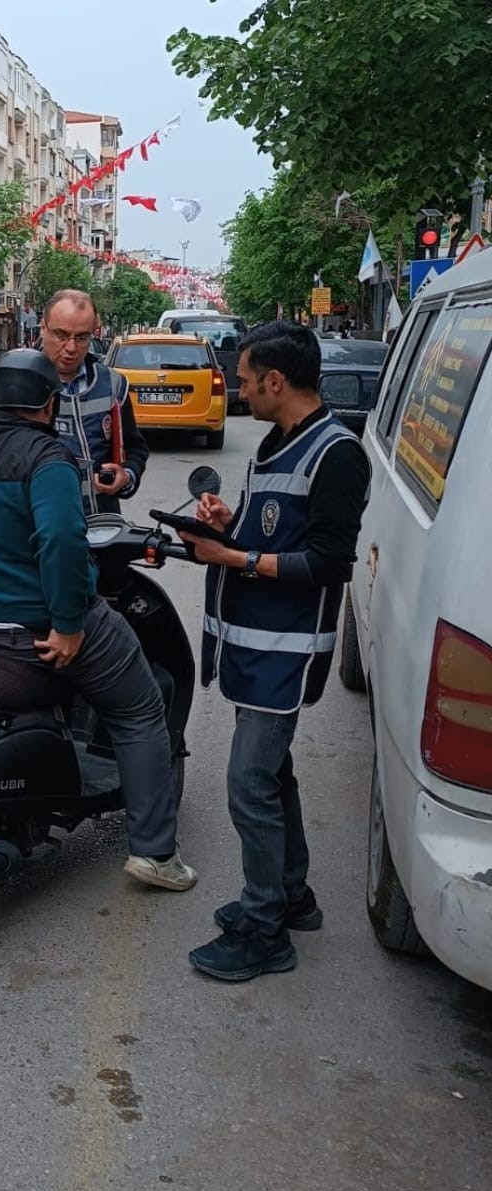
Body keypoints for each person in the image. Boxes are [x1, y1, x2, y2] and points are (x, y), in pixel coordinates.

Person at [0, 349, 195, 891]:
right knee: (139, 709)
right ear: (51, 403)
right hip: (38, 629)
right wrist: (67, 625)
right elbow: (62, 541)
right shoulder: (48, 458)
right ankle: (155, 854)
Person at [179, 321, 371, 981]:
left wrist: (231, 555)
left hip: (287, 648)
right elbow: (272, 526)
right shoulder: (275, 441)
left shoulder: (337, 453)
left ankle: (265, 931)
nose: (238, 388)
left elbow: (326, 562)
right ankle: (292, 895)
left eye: (244, 379)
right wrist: (223, 522)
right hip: (255, 642)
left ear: (276, 381)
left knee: (249, 783)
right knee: (273, 774)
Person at [39, 289, 149, 515]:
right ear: (43, 328)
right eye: (61, 335)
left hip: (103, 523)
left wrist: (126, 475)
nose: (71, 348)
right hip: (43, 528)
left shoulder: (112, 384)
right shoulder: (18, 383)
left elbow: (135, 447)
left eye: (81, 337)